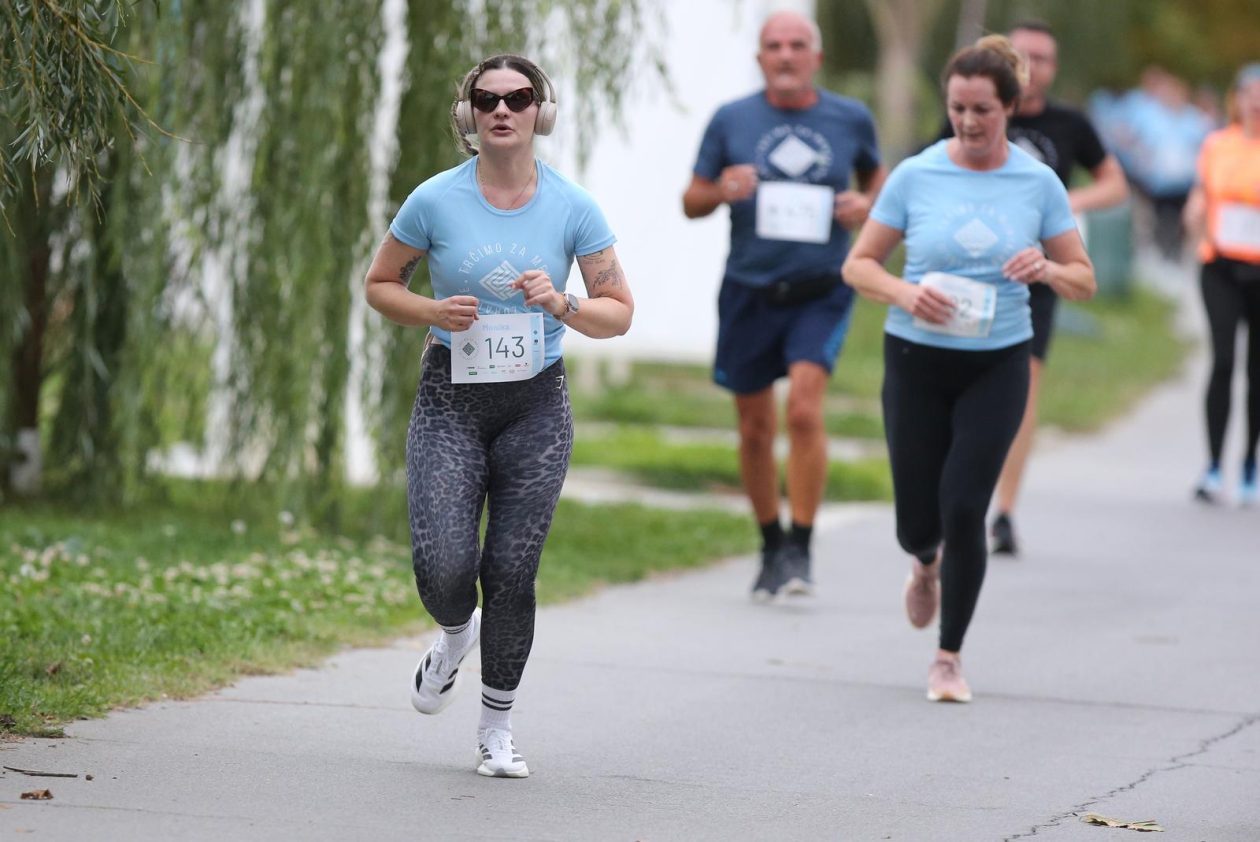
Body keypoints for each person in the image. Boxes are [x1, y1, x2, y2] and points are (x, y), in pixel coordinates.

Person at [363, 54, 633, 777]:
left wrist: (561, 304)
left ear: (541, 112)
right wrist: (431, 310)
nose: (502, 110)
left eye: (519, 98)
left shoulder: (574, 207)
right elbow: (379, 284)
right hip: (451, 397)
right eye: (487, 99)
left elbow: (619, 314)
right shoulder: (433, 201)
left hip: (536, 403)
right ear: (469, 115)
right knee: (446, 565)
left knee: (513, 570)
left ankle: (496, 730)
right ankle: (455, 633)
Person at [842, 35, 1095, 701]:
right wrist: (903, 291)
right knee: (914, 521)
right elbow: (858, 263)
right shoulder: (917, 174)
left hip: (998, 362)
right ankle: (923, 565)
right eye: (958, 107)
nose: (968, 121)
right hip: (915, 358)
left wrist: (1048, 267)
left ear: (1010, 107)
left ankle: (948, 657)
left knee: (964, 507)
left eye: (982, 108)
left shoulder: (1038, 183)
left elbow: (1084, 279)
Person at [682, 10, 884, 601]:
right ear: (761, 59)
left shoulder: (849, 118)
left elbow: (881, 183)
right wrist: (723, 189)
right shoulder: (732, 119)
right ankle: (771, 544)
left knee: (802, 410)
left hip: (820, 288)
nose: (787, 55)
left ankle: (802, 544)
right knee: (754, 427)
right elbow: (690, 200)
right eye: (775, 46)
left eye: (798, 45)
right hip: (749, 287)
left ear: (816, 57)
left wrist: (863, 204)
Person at [940, 20, 1128, 557]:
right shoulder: (971, 111)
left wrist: (1068, 206)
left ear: (1053, 67)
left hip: (1034, 276)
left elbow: (1114, 182)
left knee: (1020, 391)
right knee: (957, 386)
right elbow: (930, 172)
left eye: (1042, 57)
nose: (1031, 65)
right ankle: (960, 495)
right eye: (1022, 54)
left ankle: (1003, 512)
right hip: (968, 272)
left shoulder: (1069, 124)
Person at [1183, 63, 1260, 506]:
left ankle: (1250, 462)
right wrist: (1195, 210)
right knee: (1224, 359)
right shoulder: (1218, 143)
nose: (1255, 100)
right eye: (1248, 91)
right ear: (1237, 97)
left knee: (1257, 373)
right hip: (1221, 266)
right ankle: (1214, 464)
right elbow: (1201, 190)